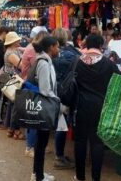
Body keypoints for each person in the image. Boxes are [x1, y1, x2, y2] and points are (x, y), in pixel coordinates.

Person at [74, 34, 121, 181]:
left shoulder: (77, 62)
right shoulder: (108, 64)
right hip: (100, 107)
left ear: (86, 45)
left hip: (80, 106)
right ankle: (96, 178)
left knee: (80, 141)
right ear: (101, 45)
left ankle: (80, 176)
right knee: (97, 143)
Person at [30, 36, 60, 181]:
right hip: (44, 107)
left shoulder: (45, 61)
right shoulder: (44, 63)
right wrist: (57, 101)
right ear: (50, 47)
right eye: (57, 46)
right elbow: (45, 89)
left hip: (44, 105)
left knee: (41, 142)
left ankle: (37, 173)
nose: (58, 49)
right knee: (41, 142)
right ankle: (39, 176)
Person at [51, 28, 80, 170]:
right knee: (62, 125)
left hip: (53, 90)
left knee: (59, 124)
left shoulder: (50, 54)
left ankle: (60, 154)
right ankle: (59, 157)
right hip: (67, 92)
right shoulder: (72, 54)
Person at [20, 31, 49, 158]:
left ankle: (33, 145)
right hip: (32, 86)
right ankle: (30, 147)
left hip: (29, 84)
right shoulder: (36, 53)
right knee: (34, 120)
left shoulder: (31, 48)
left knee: (32, 118)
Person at [3, 31, 25, 140]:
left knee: (13, 105)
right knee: (16, 106)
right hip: (13, 81)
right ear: (13, 42)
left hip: (13, 80)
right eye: (18, 40)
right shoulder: (11, 53)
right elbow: (21, 66)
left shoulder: (14, 50)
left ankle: (11, 129)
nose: (19, 41)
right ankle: (15, 130)